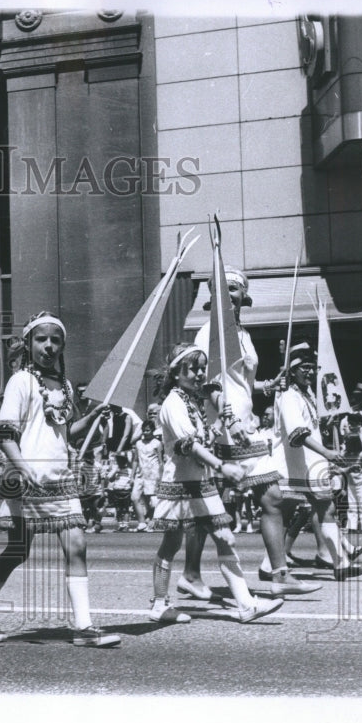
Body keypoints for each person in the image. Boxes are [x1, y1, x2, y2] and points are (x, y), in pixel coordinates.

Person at [0, 311, 120, 647]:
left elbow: (65, 436)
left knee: (77, 545)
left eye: (55, 340)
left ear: (63, 345)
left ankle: (83, 627)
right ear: (28, 344)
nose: (48, 346)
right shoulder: (21, 381)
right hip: (27, 478)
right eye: (41, 339)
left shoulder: (64, 385)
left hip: (60, 479)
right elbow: (3, 434)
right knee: (19, 549)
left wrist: (91, 416)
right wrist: (24, 468)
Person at [184, 267, 320, 599]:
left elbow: (241, 384)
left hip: (247, 429)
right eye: (221, 289)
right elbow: (207, 383)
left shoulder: (242, 334)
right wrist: (227, 416)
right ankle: (189, 573)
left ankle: (279, 574)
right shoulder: (208, 333)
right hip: (222, 433)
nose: (228, 294)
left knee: (271, 498)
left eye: (233, 289)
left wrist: (265, 386)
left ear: (244, 296)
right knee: (213, 511)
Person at [148, 342, 283, 624]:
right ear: (176, 373)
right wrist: (222, 465)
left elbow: (202, 439)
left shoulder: (191, 402)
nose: (199, 374)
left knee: (224, 537)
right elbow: (189, 445)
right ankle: (160, 604)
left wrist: (223, 425)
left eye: (201, 368)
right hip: (183, 486)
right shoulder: (173, 403)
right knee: (172, 545)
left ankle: (245, 603)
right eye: (192, 368)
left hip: (200, 483)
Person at [275, 342, 362, 581]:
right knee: (282, 514)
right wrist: (327, 453)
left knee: (322, 509)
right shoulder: (288, 396)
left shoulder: (306, 395)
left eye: (311, 367)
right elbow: (297, 433)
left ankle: (340, 563)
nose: (309, 371)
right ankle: (272, 566)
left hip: (310, 464)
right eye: (303, 367)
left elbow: (310, 430)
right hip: (295, 465)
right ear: (293, 370)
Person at [131, 420, 163, 532]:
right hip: (140, 475)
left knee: (152, 502)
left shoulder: (157, 443)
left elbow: (160, 461)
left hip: (153, 475)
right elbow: (135, 460)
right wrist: (132, 475)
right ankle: (141, 522)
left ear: (153, 430)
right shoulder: (138, 443)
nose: (145, 432)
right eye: (144, 430)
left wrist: (161, 476)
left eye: (148, 430)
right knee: (134, 497)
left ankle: (151, 522)